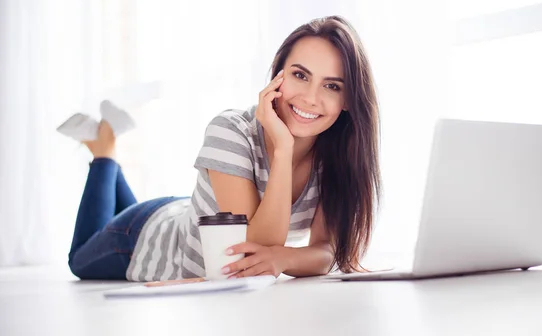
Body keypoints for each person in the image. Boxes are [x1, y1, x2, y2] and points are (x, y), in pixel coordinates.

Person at [67, 16, 382, 281]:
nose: (311, 98)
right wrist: (284, 150)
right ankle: (104, 149)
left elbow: (327, 250)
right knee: (80, 260)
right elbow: (254, 246)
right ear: (277, 76)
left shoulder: (336, 156)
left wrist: (284, 259)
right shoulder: (230, 131)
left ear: (348, 101)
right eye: (300, 75)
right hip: (146, 237)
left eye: (332, 86)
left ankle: (105, 142)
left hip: (195, 211)